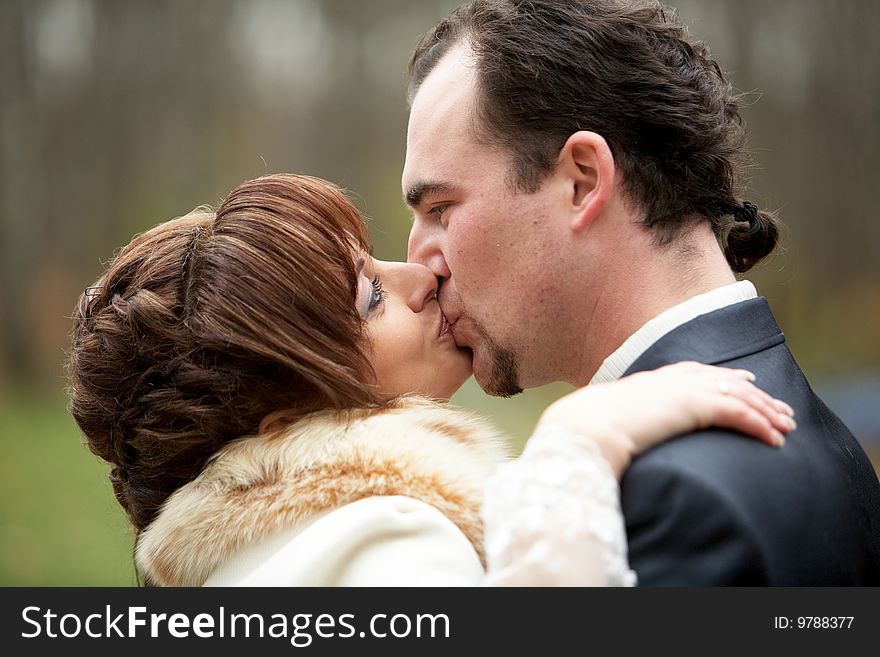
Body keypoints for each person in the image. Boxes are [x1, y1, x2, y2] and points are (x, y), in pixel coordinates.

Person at [67, 173, 794, 587]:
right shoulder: (379, 543)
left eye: (377, 262)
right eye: (369, 297)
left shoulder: (255, 562)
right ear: (282, 422)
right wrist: (574, 447)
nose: (421, 276)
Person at [403, 0, 880, 584]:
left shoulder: (673, 499)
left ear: (583, 180)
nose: (419, 262)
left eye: (440, 209)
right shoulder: (818, 426)